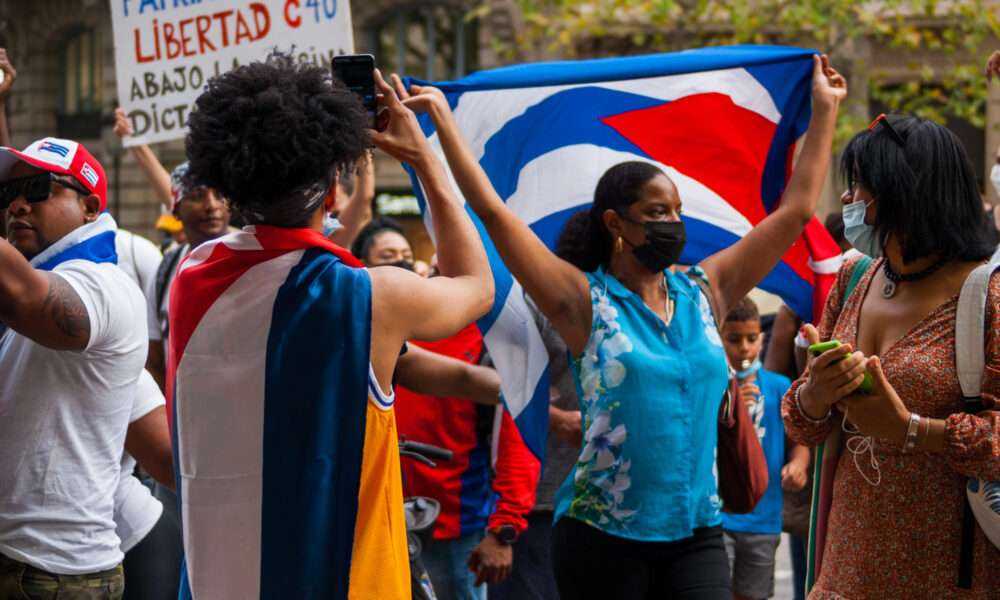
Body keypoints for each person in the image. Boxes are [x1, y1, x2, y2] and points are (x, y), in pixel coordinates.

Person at [392, 54, 846, 599]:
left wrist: (824, 111)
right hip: (602, 537)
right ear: (615, 223)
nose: (673, 224)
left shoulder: (708, 289)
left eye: (676, 211)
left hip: (697, 531)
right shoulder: (580, 301)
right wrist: (442, 128)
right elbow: (491, 212)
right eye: (656, 213)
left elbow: (795, 211)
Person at [171, 54, 493, 599]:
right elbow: (476, 285)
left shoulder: (191, 274)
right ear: (334, 192)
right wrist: (424, 159)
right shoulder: (369, 295)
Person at [783, 114, 1000, 598]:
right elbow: (805, 425)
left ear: (904, 191)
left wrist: (912, 430)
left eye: (859, 186)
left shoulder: (988, 293)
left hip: (948, 571)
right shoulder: (854, 276)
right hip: (845, 566)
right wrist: (815, 395)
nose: (846, 200)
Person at [0, 138, 147, 598]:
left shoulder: (105, 285)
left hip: (53, 574)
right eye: (11, 193)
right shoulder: (38, 273)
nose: (19, 204)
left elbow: (29, 299)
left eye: (40, 187)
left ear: (89, 207)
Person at [490, 213, 587, 600]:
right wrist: (555, 418)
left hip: (603, 502)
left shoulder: (625, 301)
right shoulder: (534, 303)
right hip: (538, 502)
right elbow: (498, 387)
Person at [720, 297, 807, 600]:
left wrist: (798, 465)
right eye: (733, 339)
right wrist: (730, 410)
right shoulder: (714, 384)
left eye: (751, 338)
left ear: (762, 338)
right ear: (719, 338)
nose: (744, 348)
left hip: (763, 518)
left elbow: (798, 440)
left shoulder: (779, 386)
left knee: (753, 593)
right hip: (718, 516)